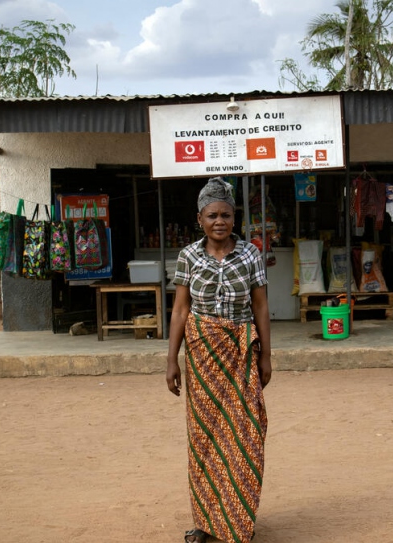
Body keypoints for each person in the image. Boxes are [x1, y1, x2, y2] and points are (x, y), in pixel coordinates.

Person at [166, 177, 272, 543]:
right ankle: (205, 521)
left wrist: (267, 357)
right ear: (200, 219)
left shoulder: (251, 255)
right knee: (205, 437)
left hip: (242, 352)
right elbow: (180, 311)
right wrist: (171, 360)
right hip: (201, 355)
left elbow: (260, 305)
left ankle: (238, 518)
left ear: (235, 217)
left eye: (226, 214)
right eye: (212, 215)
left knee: (245, 435)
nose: (220, 221)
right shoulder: (188, 257)